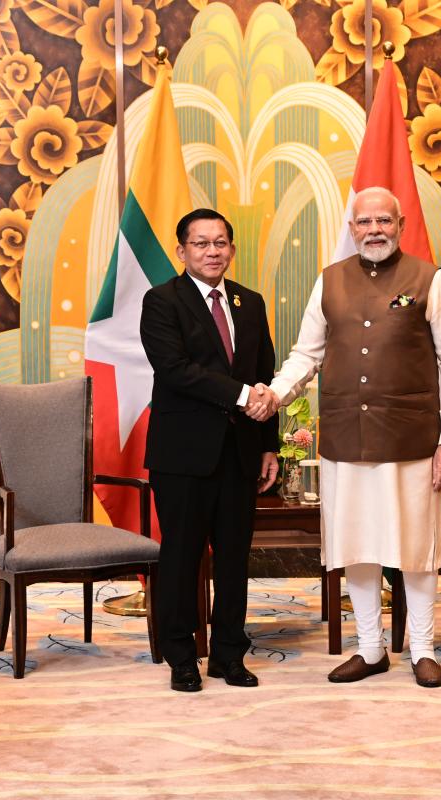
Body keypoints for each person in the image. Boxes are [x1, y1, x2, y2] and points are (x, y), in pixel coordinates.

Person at [249, 186, 441, 687]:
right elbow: (306, 355)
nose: (374, 230)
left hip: (413, 441)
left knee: (416, 547)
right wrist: (275, 393)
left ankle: (423, 649)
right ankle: (370, 648)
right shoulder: (329, 280)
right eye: (364, 222)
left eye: (384, 221)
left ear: (401, 225)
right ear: (351, 228)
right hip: (346, 439)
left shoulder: (429, 279)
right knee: (357, 546)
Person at [140, 208, 279, 692]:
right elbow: (175, 370)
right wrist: (242, 395)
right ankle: (181, 657)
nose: (212, 251)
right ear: (182, 251)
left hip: (240, 453)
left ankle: (228, 655)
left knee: (234, 560)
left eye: (220, 243)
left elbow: (264, 374)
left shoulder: (250, 302)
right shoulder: (162, 301)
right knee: (181, 557)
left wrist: (269, 446)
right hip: (183, 455)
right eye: (201, 243)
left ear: (232, 250)